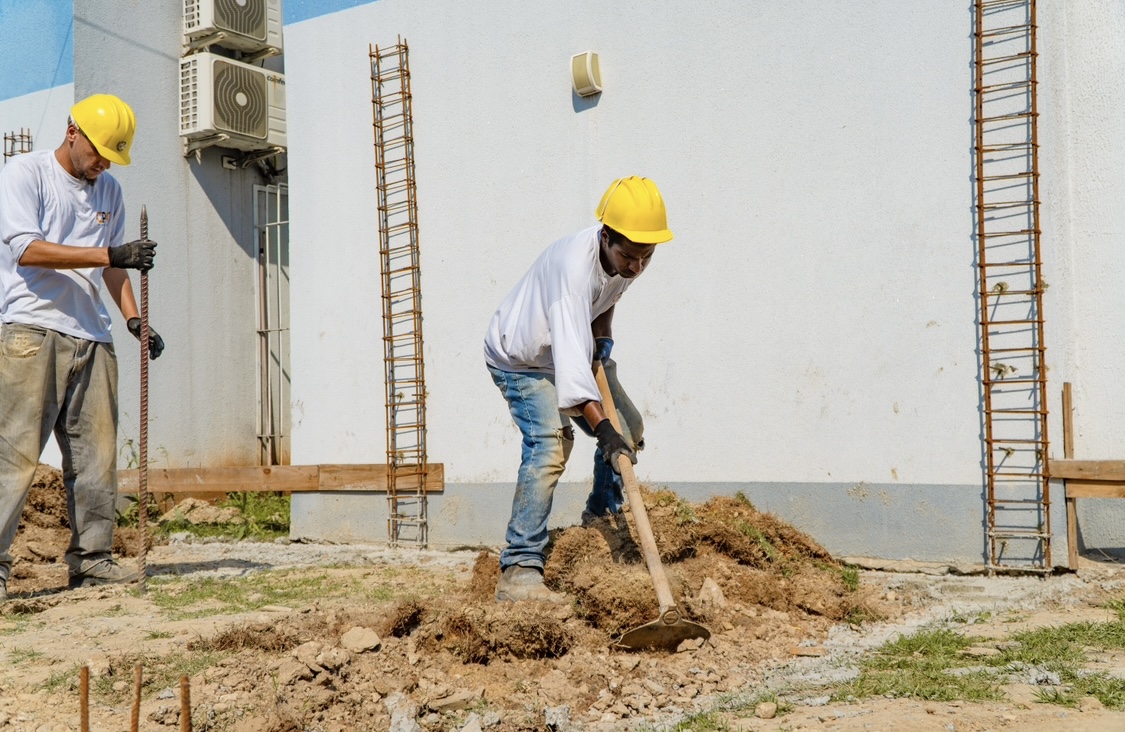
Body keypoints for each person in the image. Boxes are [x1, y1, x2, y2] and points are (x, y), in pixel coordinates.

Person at [0, 93, 165, 601]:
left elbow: (111, 266)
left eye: (112, 157)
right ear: (73, 131)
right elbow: (27, 250)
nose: (103, 164)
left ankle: (93, 562)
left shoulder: (109, 190)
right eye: (99, 152)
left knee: (97, 457)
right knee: (14, 454)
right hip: (31, 330)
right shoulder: (25, 174)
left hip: (93, 337)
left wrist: (136, 320)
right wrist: (108, 250)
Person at [484, 176, 673, 603]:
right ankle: (519, 569)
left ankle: (601, 516)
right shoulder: (573, 272)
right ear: (606, 237)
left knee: (630, 427)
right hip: (521, 358)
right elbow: (573, 385)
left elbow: (606, 302)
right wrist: (605, 435)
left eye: (647, 257)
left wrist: (603, 342)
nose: (637, 267)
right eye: (629, 256)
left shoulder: (629, 257)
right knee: (551, 444)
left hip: (569, 347)